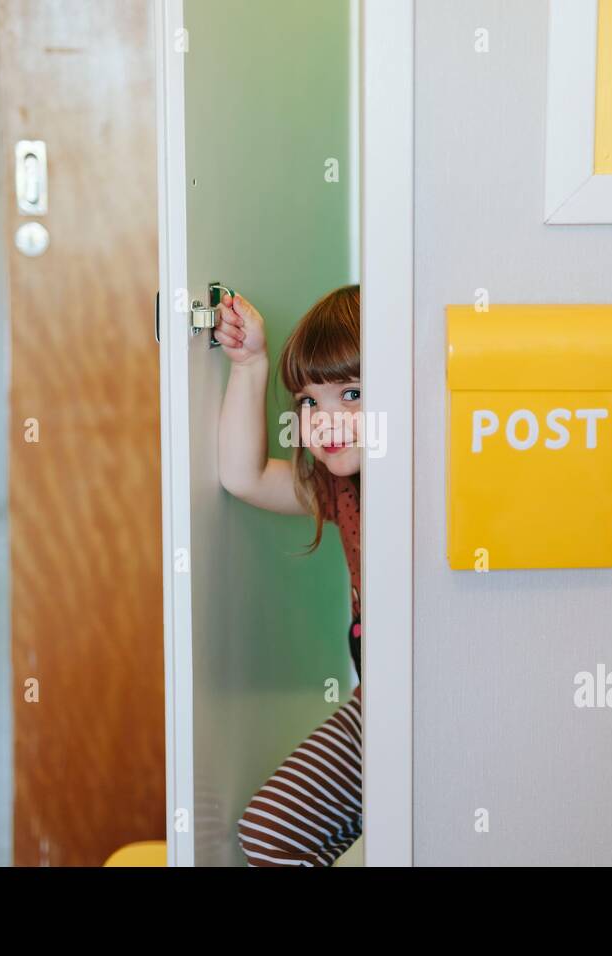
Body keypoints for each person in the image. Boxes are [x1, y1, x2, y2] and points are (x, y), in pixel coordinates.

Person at [214, 284, 363, 866]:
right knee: (270, 833)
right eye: (308, 402)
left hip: (430, 709)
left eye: (351, 394)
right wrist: (250, 363)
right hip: (374, 707)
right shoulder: (336, 487)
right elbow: (243, 476)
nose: (326, 422)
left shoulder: (427, 481)